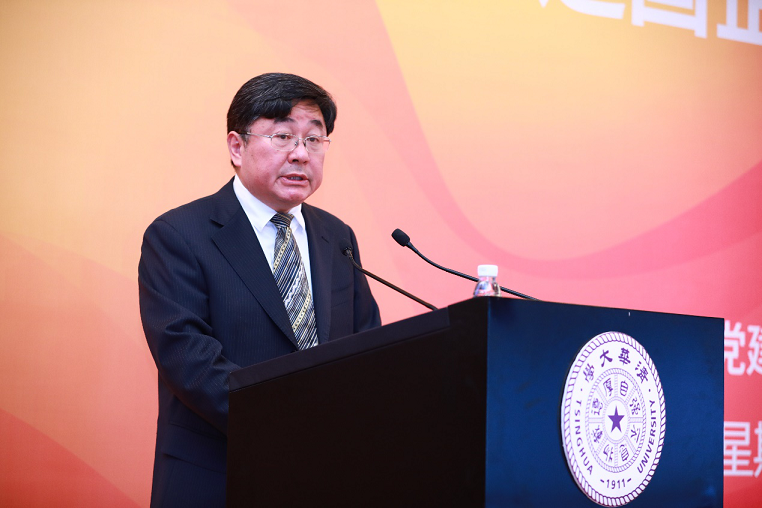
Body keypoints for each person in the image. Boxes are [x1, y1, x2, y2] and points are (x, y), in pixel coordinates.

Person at [138, 73, 381, 507]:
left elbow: (367, 346)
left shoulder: (336, 236)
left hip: (326, 478)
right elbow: (189, 359)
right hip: (221, 476)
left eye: (314, 139)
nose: (301, 154)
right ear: (237, 147)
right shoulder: (179, 234)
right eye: (283, 136)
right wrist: (298, 425)